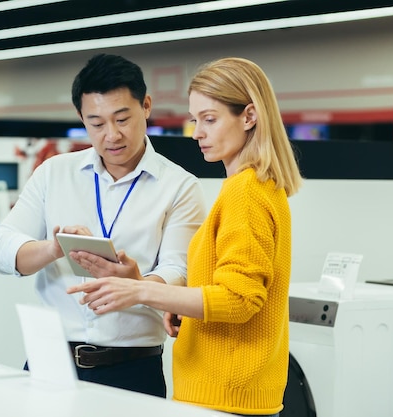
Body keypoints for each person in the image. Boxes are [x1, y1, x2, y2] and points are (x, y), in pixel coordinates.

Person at [67, 57, 303, 416]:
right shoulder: (261, 187)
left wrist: (140, 290)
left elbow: (240, 300)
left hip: (224, 394)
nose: (199, 133)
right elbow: (231, 289)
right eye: (195, 121)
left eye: (210, 119)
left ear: (249, 116)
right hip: (238, 391)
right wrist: (181, 305)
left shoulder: (245, 192)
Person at [0, 53, 207, 398]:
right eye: (97, 123)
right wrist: (53, 247)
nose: (112, 135)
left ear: (146, 106)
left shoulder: (180, 186)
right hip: (49, 362)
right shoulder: (54, 173)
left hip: (133, 370)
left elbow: (179, 270)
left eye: (123, 119)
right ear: (81, 118)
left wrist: (135, 282)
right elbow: (0, 249)